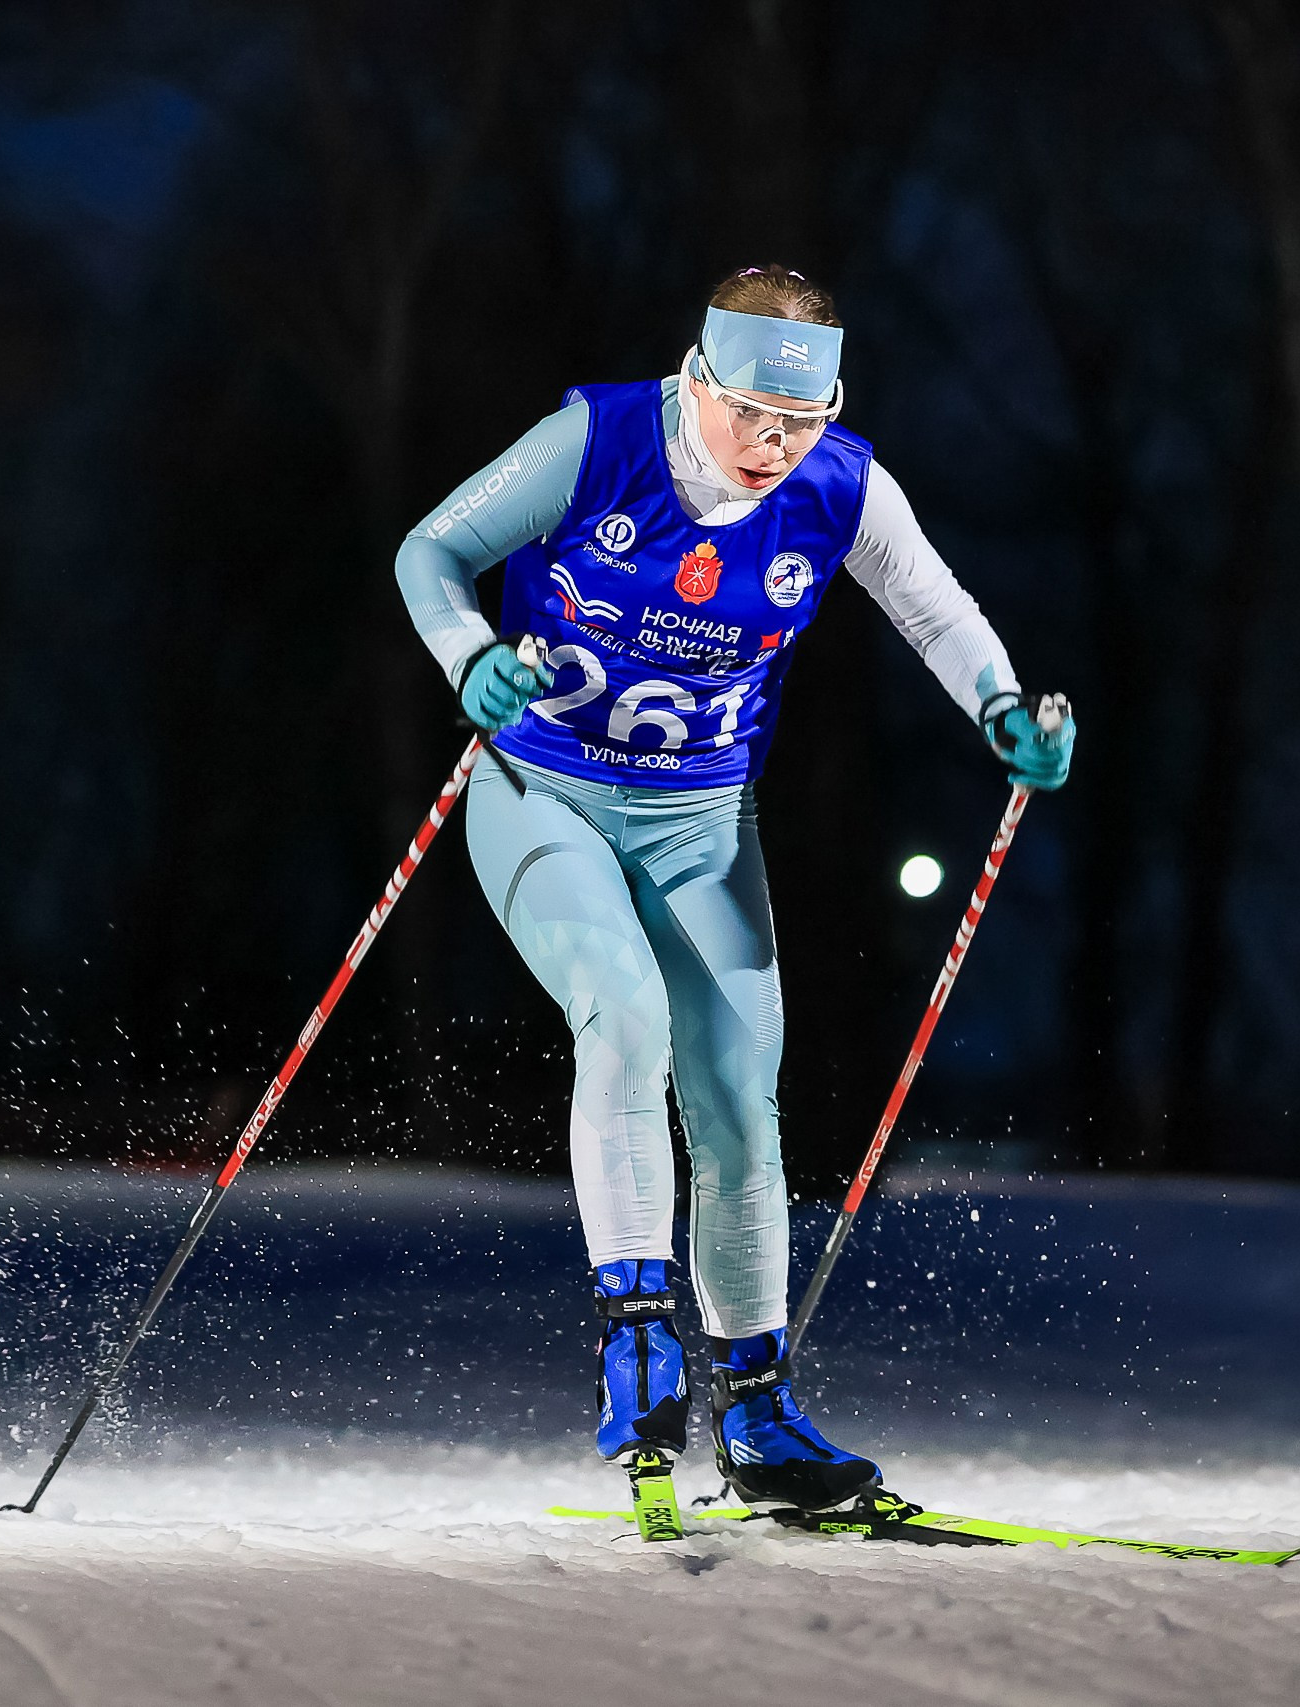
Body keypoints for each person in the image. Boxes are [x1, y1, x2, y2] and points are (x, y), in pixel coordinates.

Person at [394, 264, 1074, 1512]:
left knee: (739, 1103)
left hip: (703, 824)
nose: (771, 446)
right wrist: (472, 654)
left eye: (798, 420)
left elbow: (935, 610)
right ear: (697, 380)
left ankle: (758, 1415)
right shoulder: (598, 440)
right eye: (750, 414)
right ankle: (638, 1331)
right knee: (625, 1013)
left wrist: (998, 705)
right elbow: (432, 548)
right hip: (545, 796)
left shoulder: (839, 483)